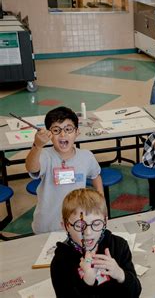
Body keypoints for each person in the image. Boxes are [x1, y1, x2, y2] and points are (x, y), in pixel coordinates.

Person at [25, 106, 103, 234]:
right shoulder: (44, 155)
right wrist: (37, 146)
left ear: (77, 132)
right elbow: (31, 167)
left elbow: (95, 175)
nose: (63, 134)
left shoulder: (86, 156)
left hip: (76, 223)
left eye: (68, 129)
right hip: (47, 224)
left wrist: (100, 199)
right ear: (49, 134)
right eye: (56, 130)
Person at [51, 188, 141, 298]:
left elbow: (135, 292)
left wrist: (120, 275)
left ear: (105, 222)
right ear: (65, 226)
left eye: (96, 224)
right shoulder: (61, 261)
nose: (88, 232)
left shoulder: (118, 246)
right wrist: (87, 281)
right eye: (79, 226)